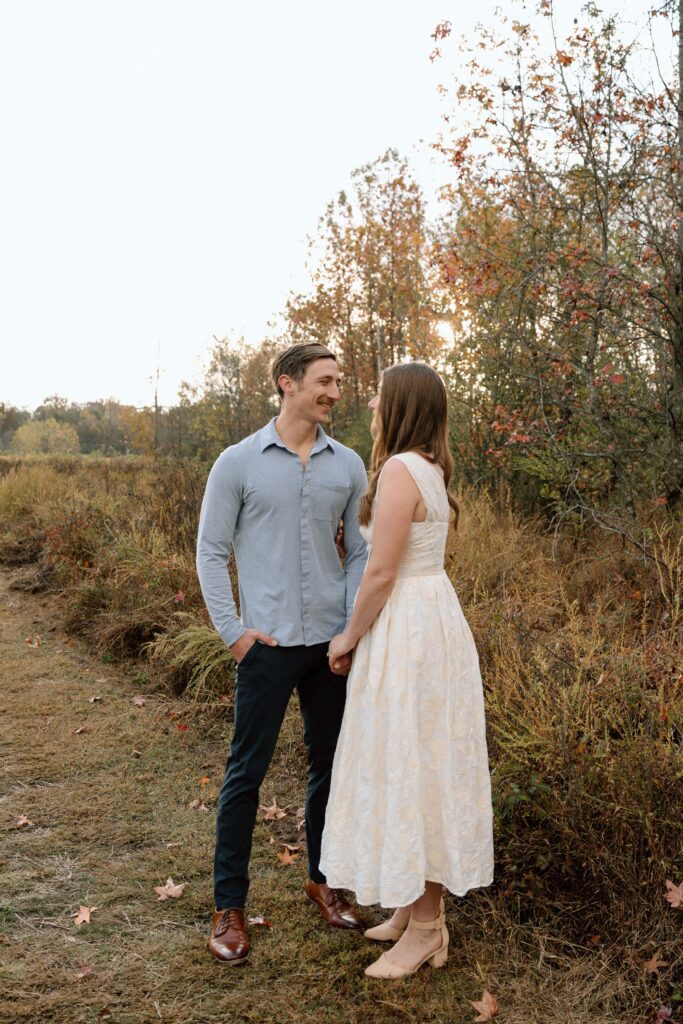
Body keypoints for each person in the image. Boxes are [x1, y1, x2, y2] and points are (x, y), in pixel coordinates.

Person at [319, 361, 494, 979]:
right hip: (430, 619)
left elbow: (382, 571)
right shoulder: (431, 467)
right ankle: (414, 909)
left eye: (378, 397)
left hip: (409, 627)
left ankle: (425, 929)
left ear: (399, 407)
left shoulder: (398, 469)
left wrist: (347, 636)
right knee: (419, 757)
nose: (370, 406)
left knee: (414, 761)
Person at [196, 342, 369, 965]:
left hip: (329, 647)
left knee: (330, 767)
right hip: (264, 648)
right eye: (324, 381)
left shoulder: (348, 466)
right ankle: (229, 906)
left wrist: (348, 630)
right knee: (246, 773)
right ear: (286, 383)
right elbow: (211, 551)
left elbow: (360, 552)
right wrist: (234, 633)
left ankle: (324, 881)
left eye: (338, 382)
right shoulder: (238, 462)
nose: (334, 392)